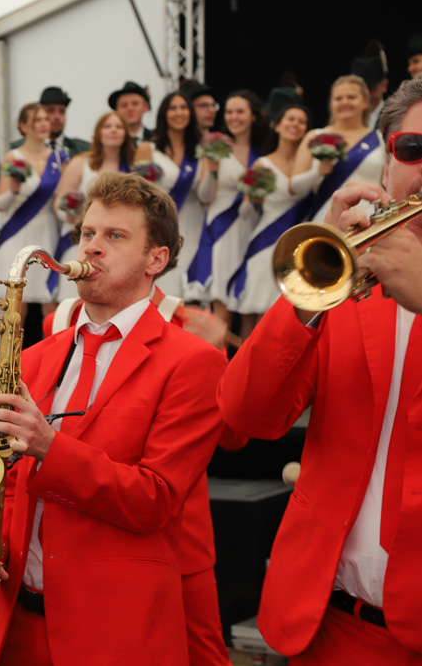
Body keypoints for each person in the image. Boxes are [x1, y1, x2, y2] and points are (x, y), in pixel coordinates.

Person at [218, 77, 422, 663]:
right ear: (387, 164)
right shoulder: (355, 282)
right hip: (328, 626)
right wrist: (312, 293)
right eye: (413, 148)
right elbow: (245, 413)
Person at [0, 172, 226, 665]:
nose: (91, 247)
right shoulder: (33, 358)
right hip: (16, 626)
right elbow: (9, 483)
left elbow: (155, 499)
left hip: (113, 634)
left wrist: (50, 447)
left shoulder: (193, 362)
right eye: (87, 233)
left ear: (155, 260)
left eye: (115, 236)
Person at [228, 102, 321, 338]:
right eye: (290, 119)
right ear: (277, 125)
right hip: (264, 245)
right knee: (255, 315)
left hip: (296, 248)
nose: (295, 124)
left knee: (279, 317)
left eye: (301, 121)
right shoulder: (262, 164)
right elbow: (245, 214)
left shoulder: (314, 164)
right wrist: (252, 199)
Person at [186, 90, 268, 321]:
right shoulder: (216, 147)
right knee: (222, 305)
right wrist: (212, 169)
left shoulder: (262, 152)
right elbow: (205, 196)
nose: (234, 117)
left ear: (253, 116)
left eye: (240, 111)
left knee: (249, 305)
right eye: (229, 112)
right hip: (221, 232)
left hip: (251, 230)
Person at [0, 103, 66, 321]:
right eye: (37, 120)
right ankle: (9, 345)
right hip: (17, 233)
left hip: (47, 232)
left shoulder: (59, 158)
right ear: (24, 126)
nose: (44, 124)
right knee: (16, 304)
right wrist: (12, 191)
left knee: (49, 303)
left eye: (45, 119)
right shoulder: (13, 157)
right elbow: (0, 204)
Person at [50, 111, 134, 301]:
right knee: (73, 295)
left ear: (125, 134)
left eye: (119, 126)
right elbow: (59, 203)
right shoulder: (80, 163)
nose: (113, 130)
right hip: (78, 239)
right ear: (98, 133)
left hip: (115, 244)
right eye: (108, 126)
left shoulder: (132, 168)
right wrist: (72, 217)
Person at [134, 91, 206, 299]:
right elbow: (138, 193)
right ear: (164, 114)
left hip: (193, 222)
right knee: (162, 281)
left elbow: (205, 193)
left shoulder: (200, 151)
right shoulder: (148, 148)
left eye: (183, 107)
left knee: (189, 284)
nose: (178, 112)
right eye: (173, 108)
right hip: (160, 222)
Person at [293, 74, 385, 224]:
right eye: (338, 98)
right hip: (324, 221)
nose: (344, 102)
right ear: (331, 104)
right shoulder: (315, 136)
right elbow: (295, 189)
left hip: (370, 222)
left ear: (365, 101)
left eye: (351, 97)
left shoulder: (380, 139)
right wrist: (317, 172)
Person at [10, 87, 91, 155]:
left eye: (62, 111)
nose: (57, 117)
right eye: (51, 111)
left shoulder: (83, 149)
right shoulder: (14, 149)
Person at [352, 41, 390, 130]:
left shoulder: (393, 116)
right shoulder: (348, 117)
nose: (367, 95)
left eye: (371, 89)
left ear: (384, 85)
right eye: (362, 91)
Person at [109, 80, 153, 146]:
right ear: (116, 110)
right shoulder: (109, 143)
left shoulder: (158, 139)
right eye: (124, 105)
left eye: (135, 103)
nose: (130, 108)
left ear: (146, 107)